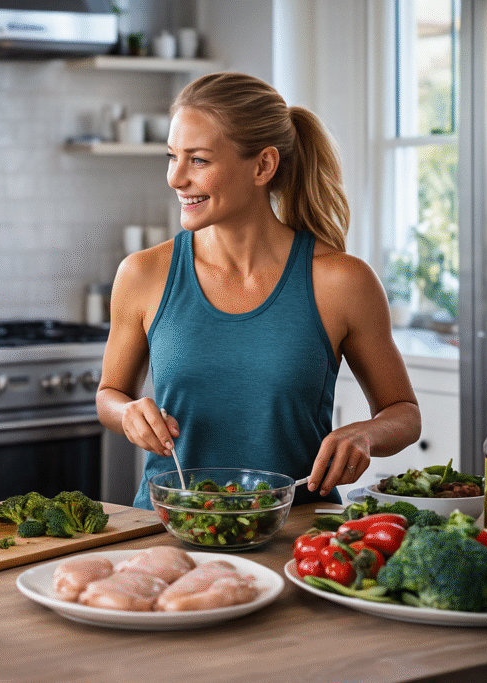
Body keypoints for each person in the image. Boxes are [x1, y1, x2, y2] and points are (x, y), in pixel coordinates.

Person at [96, 72, 421, 508]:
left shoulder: (342, 281)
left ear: (263, 166)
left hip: (298, 536)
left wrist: (364, 434)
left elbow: (403, 412)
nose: (175, 178)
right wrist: (128, 413)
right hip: (169, 530)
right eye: (172, 156)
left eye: (198, 160)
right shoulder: (142, 274)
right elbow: (109, 395)